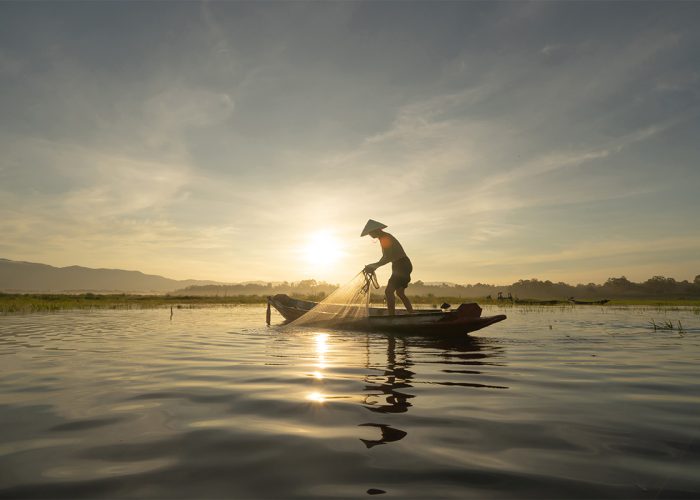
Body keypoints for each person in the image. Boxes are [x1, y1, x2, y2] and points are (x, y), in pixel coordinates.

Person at [361, 219, 414, 315]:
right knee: (400, 293)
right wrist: (374, 265)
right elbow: (386, 257)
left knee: (389, 291)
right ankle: (411, 313)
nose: (370, 235)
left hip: (401, 265)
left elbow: (388, 257)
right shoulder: (384, 238)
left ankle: (391, 317)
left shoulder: (385, 238)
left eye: (370, 233)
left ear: (375, 230)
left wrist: (374, 265)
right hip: (401, 265)